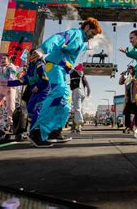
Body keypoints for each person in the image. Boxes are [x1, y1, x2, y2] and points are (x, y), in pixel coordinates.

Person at [29, 17, 101, 147]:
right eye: (92, 33)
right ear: (86, 28)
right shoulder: (76, 34)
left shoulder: (81, 40)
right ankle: (37, 131)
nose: (92, 37)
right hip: (54, 66)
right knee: (58, 93)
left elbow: (71, 52)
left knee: (65, 100)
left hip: (61, 70)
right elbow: (58, 38)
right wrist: (42, 50)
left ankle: (55, 131)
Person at [7, 50, 50, 133]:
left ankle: (35, 132)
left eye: (28, 56)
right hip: (35, 93)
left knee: (37, 110)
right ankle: (33, 130)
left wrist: (38, 86)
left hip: (44, 92)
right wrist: (7, 83)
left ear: (33, 56)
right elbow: (23, 80)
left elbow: (47, 79)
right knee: (29, 110)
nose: (26, 58)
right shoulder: (31, 67)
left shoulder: (40, 65)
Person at [0, 55, 18, 130]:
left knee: (10, 106)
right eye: (1, 58)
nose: (2, 60)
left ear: (9, 59)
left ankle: (10, 123)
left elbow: (12, 77)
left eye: (4, 58)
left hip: (9, 87)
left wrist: (10, 86)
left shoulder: (11, 66)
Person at [119, 65, 137, 134]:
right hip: (128, 98)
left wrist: (134, 80)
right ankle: (127, 126)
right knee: (127, 113)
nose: (129, 70)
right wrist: (122, 75)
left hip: (134, 98)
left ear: (133, 70)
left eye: (130, 69)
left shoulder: (136, 75)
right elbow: (120, 82)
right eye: (128, 69)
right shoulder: (127, 77)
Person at [70, 63, 90, 133]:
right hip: (82, 92)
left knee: (77, 109)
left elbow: (69, 69)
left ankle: (79, 124)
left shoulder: (74, 71)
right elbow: (87, 83)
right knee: (79, 109)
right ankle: (76, 125)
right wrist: (88, 90)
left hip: (77, 90)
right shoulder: (82, 74)